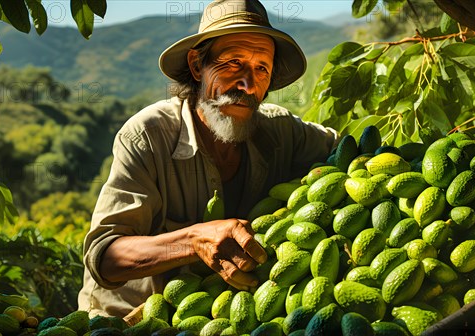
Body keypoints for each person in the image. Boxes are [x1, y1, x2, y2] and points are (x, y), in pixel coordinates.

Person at [77, 0, 338, 318]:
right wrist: (193, 240)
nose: (247, 84)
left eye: (261, 69)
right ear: (198, 66)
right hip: (131, 320)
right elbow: (105, 257)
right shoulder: (148, 136)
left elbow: (353, 156)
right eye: (233, 63)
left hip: (229, 317)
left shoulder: (283, 133)